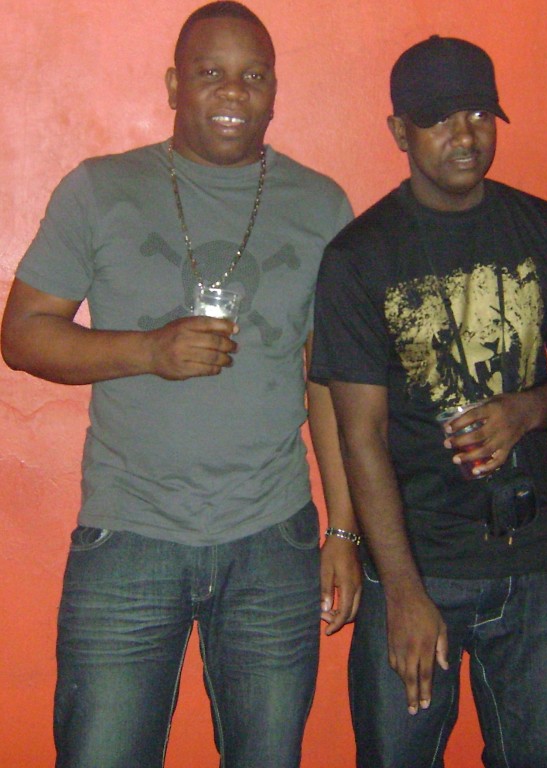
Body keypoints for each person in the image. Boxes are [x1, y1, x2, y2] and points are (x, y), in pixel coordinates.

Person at [1, 3, 362, 766]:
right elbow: (22, 334)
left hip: (273, 539)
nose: (233, 92)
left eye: (253, 76)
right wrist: (147, 350)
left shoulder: (322, 205)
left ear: (273, 91)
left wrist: (342, 528)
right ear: (173, 85)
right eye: (209, 73)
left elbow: (328, 383)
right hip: (128, 533)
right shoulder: (99, 190)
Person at [310, 34, 547, 768]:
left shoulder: (542, 227)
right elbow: (359, 436)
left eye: (479, 113)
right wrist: (404, 593)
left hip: (537, 561)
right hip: (418, 562)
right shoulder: (359, 256)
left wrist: (526, 410)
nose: (465, 134)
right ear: (399, 132)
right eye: (439, 118)